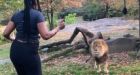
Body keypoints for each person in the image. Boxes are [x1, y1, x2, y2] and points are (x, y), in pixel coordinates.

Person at [3, 0, 65, 75]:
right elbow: (46, 35)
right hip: (29, 52)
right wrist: (59, 27)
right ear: (34, 2)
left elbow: (5, 33)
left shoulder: (17, 15)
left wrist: (12, 39)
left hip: (15, 51)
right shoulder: (37, 14)